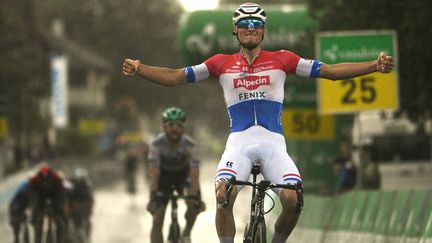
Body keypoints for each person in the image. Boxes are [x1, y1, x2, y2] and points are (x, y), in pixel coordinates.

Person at [122, 3, 394, 242]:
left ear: (264, 31)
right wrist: (140, 69)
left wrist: (373, 65)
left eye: (256, 24)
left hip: (273, 143)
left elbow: (331, 72)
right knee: (223, 196)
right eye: (244, 24)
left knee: (292, 200)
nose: (250, 28)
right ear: (235, 31)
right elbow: (175, 76)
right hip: (239, 143)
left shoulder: (283, 59)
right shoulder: (220, 63)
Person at [146, 107, 205, 243]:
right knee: (157, 219)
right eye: (170, 125)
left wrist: (196, 197)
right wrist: (153, 196)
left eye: (179, 125)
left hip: (183, 178)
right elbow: (154, 172)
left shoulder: (190, 145)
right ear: (164, 126)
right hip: (163, 179)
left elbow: (194, 173)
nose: (174, 129)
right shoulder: (156, 144)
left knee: (193, 204)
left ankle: (187, 233)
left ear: (183, 127)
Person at [28, 164, 69, 243]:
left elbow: (62, 192)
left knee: (60, 223)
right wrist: (34, 211)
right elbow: (32, 194)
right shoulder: (35, 179)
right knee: (38, 225)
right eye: (43, 174)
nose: (45, 176)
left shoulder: (56, 177)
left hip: (54, 200)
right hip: (41, 201)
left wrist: (62, 209)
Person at [68, 167, 94, 240]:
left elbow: (90, 200)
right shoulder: (72, 183)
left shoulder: (87, 185)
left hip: (81, 209)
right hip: (76, 209)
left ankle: (84, 236)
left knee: (84, 222)